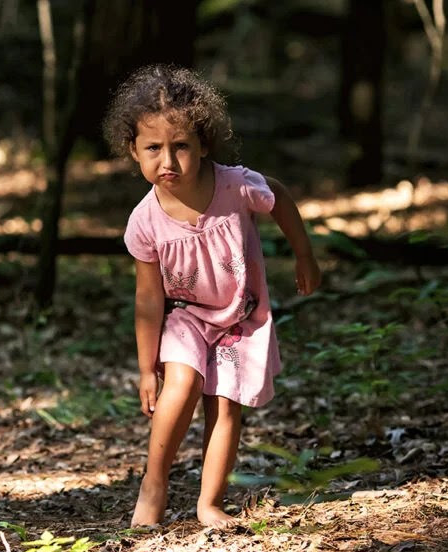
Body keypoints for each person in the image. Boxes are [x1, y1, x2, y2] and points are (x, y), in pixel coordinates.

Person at [102, 63, 321, 528]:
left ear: (203, 144)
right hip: (185, 315)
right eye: (153, 149)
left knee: (224, 406)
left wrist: (304, 256)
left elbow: (277, 196)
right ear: (133, 151)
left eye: (181, 146)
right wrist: (146, 368)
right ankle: (154, 483)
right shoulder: (145, 221)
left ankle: (209, 501)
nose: (168, 161)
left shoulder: (234, 186)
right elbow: (147, 300)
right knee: (180, 386)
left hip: (240, 318)